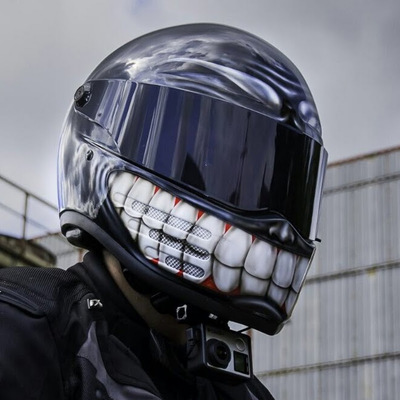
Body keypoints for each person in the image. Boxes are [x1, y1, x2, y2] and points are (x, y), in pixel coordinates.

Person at [0, 24, 328, 399]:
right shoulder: (25, 328)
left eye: (269, 183)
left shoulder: (242, 393)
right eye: (214, 167)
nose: (271, 220)